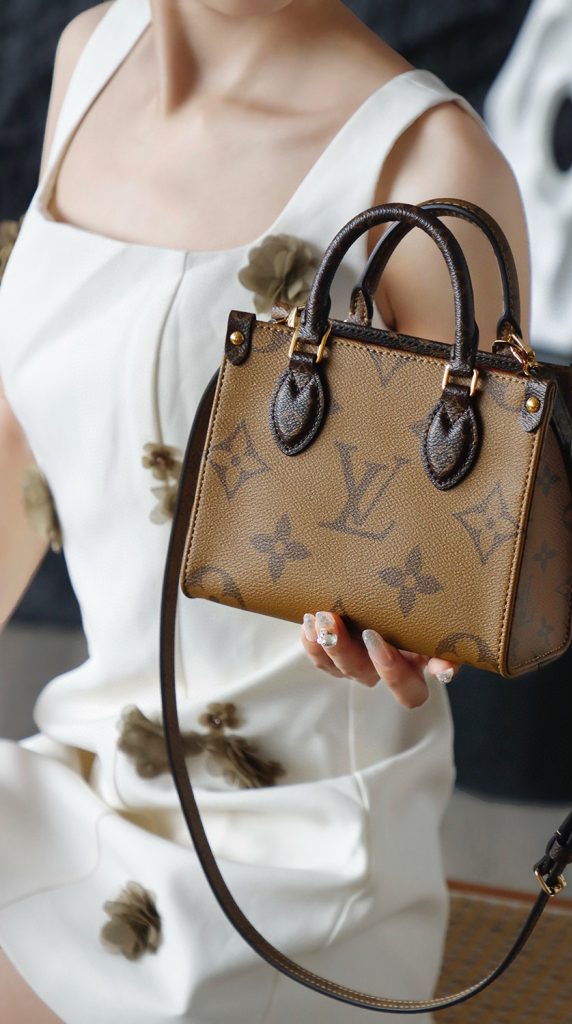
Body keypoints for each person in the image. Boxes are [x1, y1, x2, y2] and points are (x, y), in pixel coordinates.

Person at [0, 1, 530, 1021]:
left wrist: (408, 628)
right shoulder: (89, 56)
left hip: (292, 857)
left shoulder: (430, 166)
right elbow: (15, 440)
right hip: (87, 769)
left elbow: (450, 577)